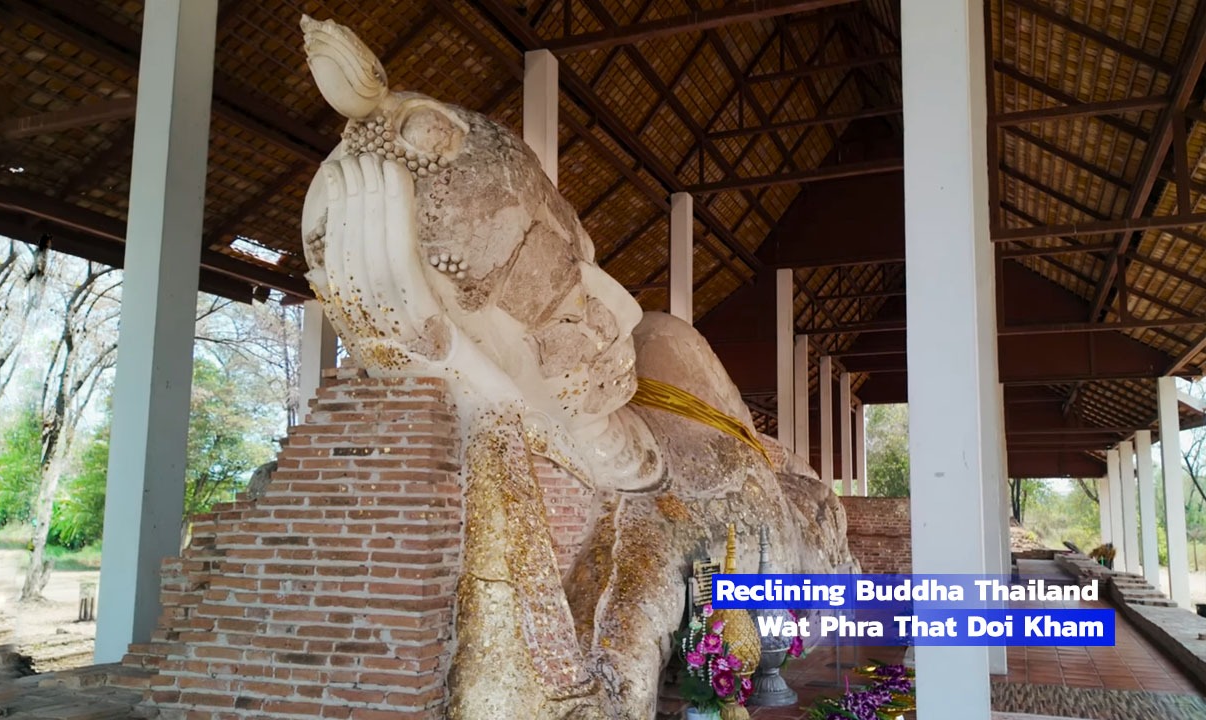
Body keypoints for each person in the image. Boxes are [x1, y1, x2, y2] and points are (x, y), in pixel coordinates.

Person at [299, 16, 856, 718]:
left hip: (729, 464)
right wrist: (449, 365)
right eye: (554, 311)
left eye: (583, 264)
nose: (607, 313)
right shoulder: (625, 508)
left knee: (664, 338)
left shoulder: (672, 395)